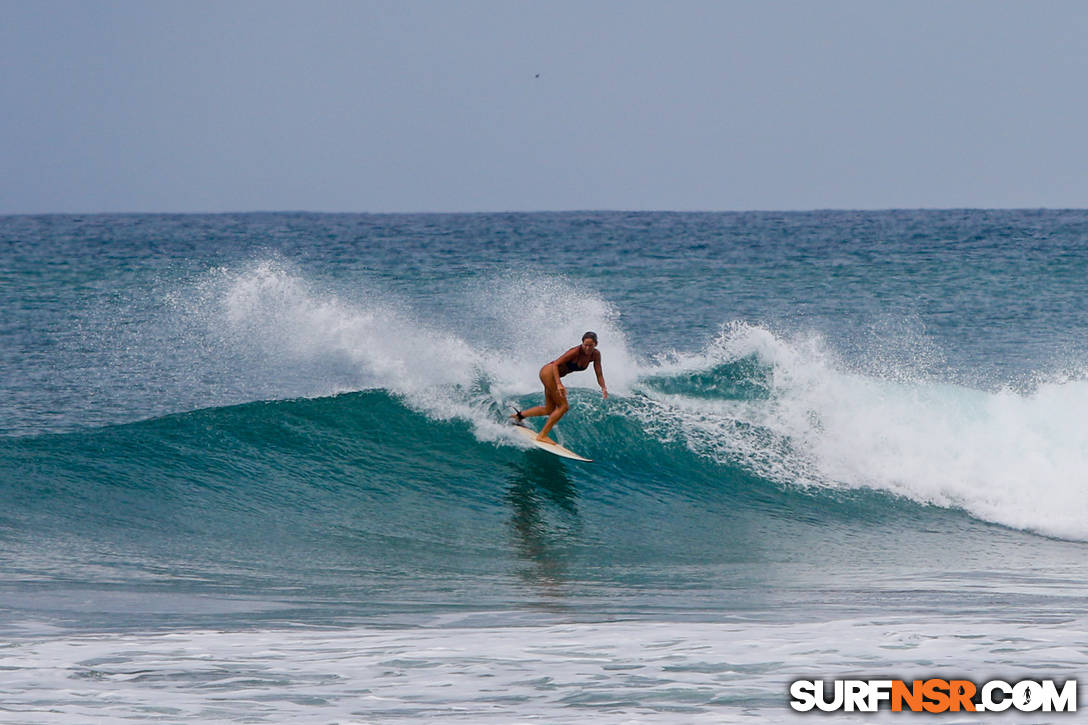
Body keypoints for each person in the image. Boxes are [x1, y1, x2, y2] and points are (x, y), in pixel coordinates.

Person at [512, 331, 608, 442]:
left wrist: (603, 387)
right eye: (585, 345)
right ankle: (542, 435)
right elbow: (556, 364)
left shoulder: (595, 354)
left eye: (590, 345)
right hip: (549, 373)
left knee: (549, 409)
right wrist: (559, 384)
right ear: (581, 343)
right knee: (564, 407)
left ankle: (518, 416)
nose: (587, 348)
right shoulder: (575, 351)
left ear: (595, 344)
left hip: (550, 376)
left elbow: (599, 372)